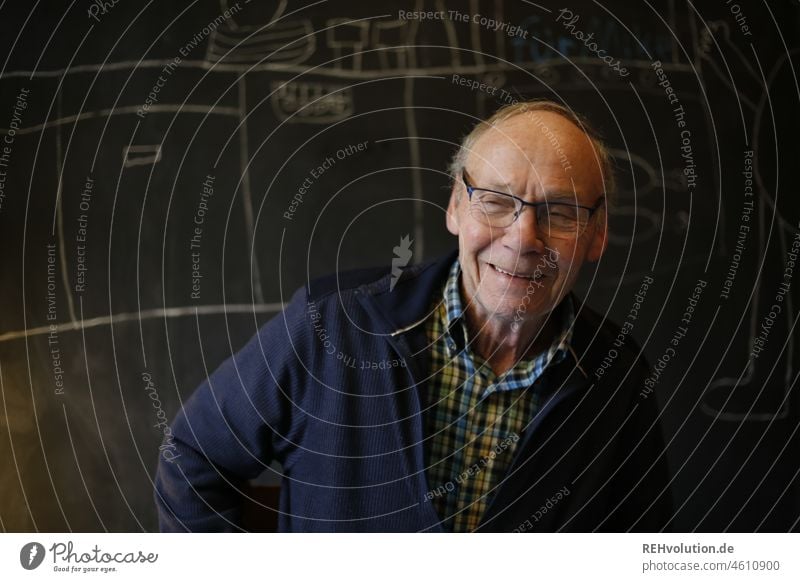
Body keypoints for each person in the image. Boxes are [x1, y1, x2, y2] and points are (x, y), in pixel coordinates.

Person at [155, 99, 673, 532]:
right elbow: (193, 457)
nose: (523, 239)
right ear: (455, 208)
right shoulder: (332, 324)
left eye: (560, 211)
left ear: (598, 233)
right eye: (494, 202)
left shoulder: (616, 378)